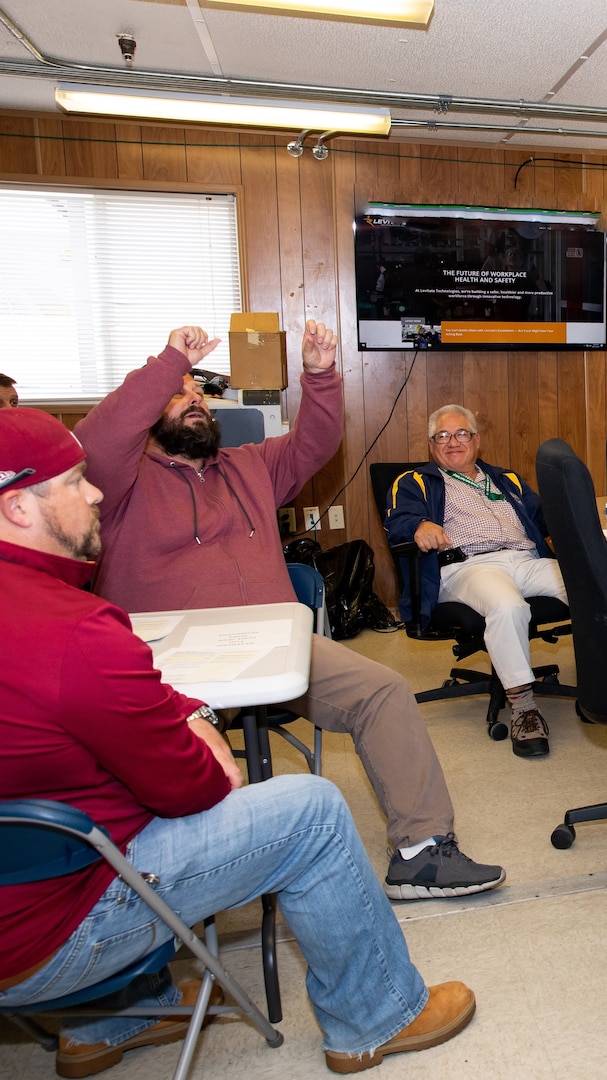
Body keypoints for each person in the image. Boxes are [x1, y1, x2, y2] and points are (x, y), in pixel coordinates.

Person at [0, 408, 475, 1076]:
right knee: (310, 810)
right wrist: (191, 720)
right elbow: (195, 787)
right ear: (19, 506)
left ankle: (119, 1018)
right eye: (76, 481)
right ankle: (376, 1015)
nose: (96, 491)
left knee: (79, 788)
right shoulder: (76, 629)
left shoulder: (52, 617)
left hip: (30, 886)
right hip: (49, 936)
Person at [74, 323, 505, 901]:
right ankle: (164, 898)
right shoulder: (115, 483)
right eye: (178, 396)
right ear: (149, 408)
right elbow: (98, 438)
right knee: (186, 768)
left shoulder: (249, 464)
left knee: (382, 690)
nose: (195, 401)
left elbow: (316, 441)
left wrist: (321, 375)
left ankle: (421, 854)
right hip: (164, 666)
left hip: (273, 645)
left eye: (199, 393)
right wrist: (170, 364)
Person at [384, 405, 568, 758]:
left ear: (477, 441)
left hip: (527, 558)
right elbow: (398, 521)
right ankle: (524, 708)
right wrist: (419, 526)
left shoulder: (506, 479)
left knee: (593, 590)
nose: (453, 442)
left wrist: (575, 508)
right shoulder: (416, 481)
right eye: (443, 436)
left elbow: (545, 516)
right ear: (431, 444)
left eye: (462, 434)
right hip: (469, 566)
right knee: (508, 605)